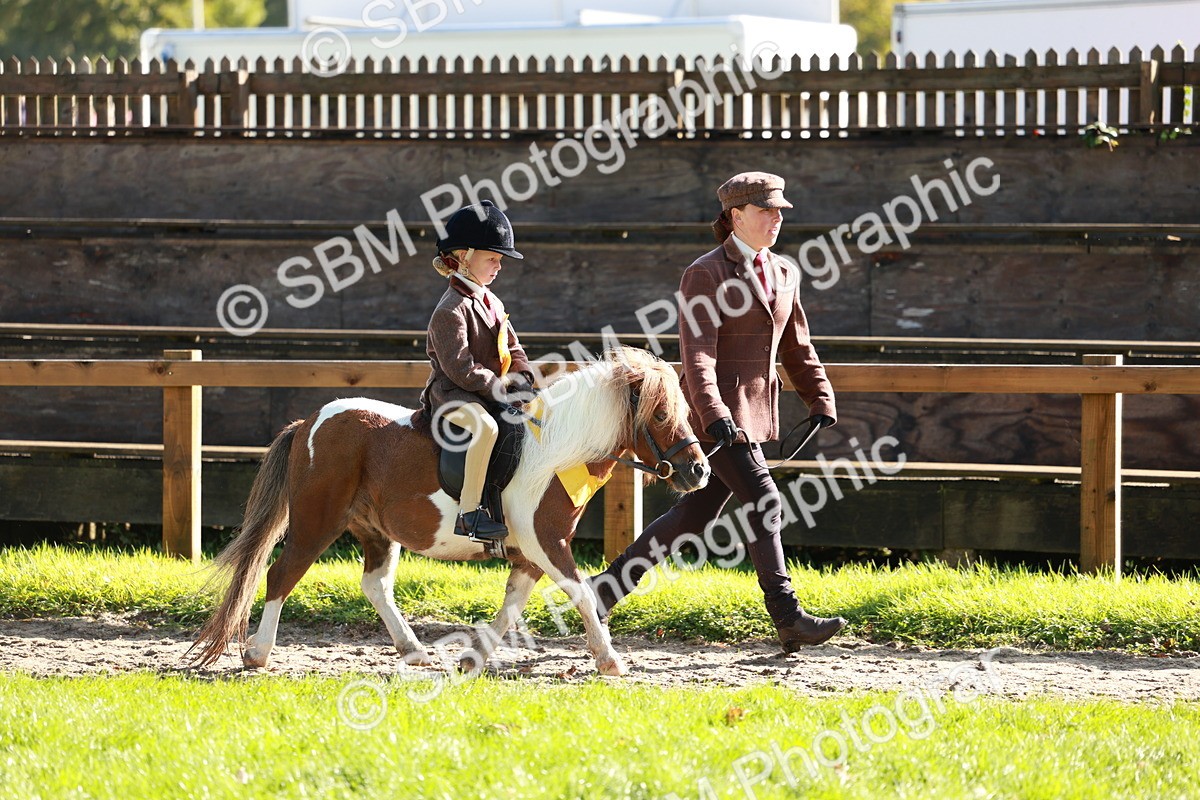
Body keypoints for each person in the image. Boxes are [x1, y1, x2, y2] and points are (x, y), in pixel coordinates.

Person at [588, 171, 847, 650]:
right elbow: (696, 354)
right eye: (766, 211)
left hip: (751, 415)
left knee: (697, 513)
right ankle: (787, 615)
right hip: (712, 417)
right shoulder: (705, 273)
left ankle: (604, 590)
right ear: (735, 217)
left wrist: (820, 397)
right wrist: (712, 413)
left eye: (779, 211)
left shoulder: (786, 272)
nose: (776, 219)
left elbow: (797, 347)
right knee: (764, 499)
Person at [419, 200, 537, 541]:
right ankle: (469, 513)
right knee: (485, 427)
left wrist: (522, 378)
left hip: (486, 391)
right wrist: (501, 389)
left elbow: (512, 346)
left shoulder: (491, 301)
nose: (499, 267)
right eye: (493, 259)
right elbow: (461, 369)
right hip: (454, 396)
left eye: (500, 260)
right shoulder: (450, 310)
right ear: (464, 257)